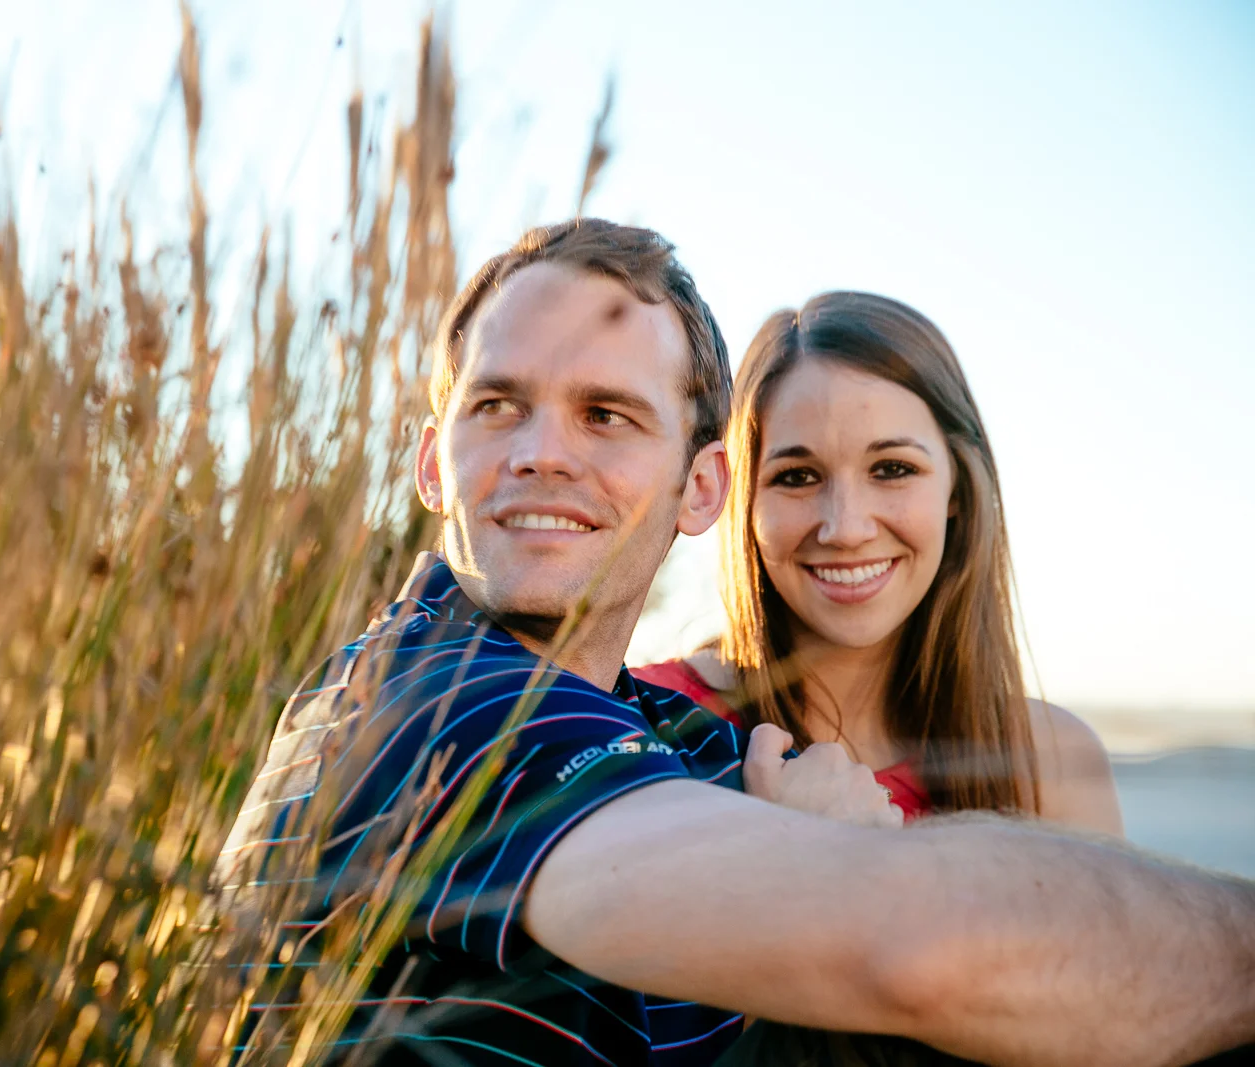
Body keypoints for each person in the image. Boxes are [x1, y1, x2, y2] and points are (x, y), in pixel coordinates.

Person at [216, 219, 1255, 1066]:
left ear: (697, 485)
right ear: (434, 464)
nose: (542, 453)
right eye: (499, 405)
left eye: (606, 414)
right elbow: (909, 946)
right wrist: (839, 852)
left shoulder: (650, 732)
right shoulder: (441, 708)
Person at [633, 292, 1122, 833]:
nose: (845, 529)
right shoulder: (647, 723)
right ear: (744, 500)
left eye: (892, 469)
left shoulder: (1051, 764)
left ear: (957, 485)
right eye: (796, 477)